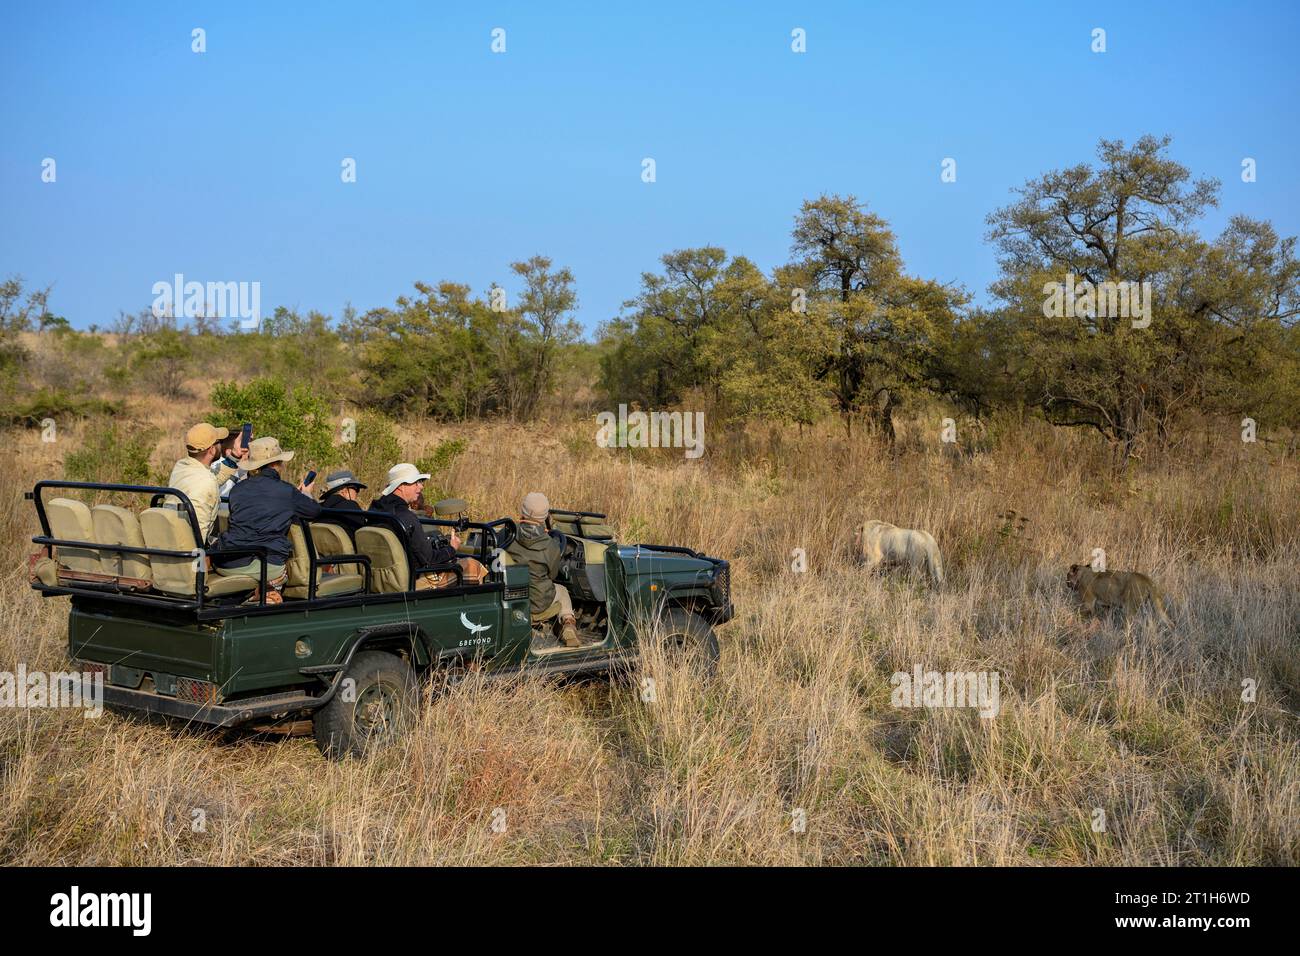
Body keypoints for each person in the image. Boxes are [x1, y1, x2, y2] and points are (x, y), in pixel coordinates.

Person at [212, 437, 320, 603]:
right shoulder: (286, 491)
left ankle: (253, 592)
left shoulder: (238, 489)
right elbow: (313, 511)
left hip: (225, 562)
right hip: (263, 563)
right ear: (277, 464)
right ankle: (265, 590)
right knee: (283, 572)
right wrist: (304, 494)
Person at [370, 463, 485, 589]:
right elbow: (429, 560)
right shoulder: (406, 517)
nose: (421, 486)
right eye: (416, 482)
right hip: (413, 581)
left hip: (380, 581)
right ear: (401, 486)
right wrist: (452, 549)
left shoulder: (373, 510)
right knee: (472, 564)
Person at [505, 492, 579, 647]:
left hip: (511, 598)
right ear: (545, 515)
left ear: (523, 510)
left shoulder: (507, 533)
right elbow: (552, 575)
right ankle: (568, 624)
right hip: (538, 602)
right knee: (563, 591)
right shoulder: (550, 544)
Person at [167, 422, 247, 544]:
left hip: (174, 536)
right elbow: (200, 534)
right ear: (211, 450)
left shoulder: (181, 467)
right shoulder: (206, 482)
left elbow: (214, 478)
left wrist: (235, 456)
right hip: (193, 550)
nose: (222, 445)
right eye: (219, 442)